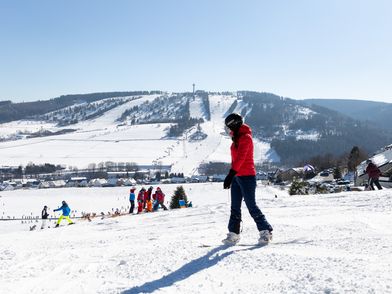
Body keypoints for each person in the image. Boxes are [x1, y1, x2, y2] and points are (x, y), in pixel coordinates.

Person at [222, 113, 273, 245]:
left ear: (234, 124)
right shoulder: (236, 139)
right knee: (235, 207)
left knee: (251, 205)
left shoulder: (246, 138)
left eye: (229, 127)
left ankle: (265, 230)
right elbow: (234, 161)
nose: (228, 130)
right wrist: (232, 176)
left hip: (247, 177)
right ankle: (233, 234)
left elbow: (241, 159)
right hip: (237, 178)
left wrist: (230, 175)